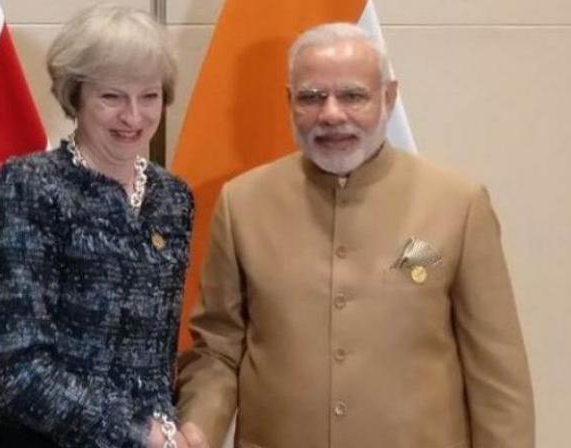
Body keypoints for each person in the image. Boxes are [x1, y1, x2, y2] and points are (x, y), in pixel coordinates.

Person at [176, 22, 534, 448]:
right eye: (311, 97)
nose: (330, 114)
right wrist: (197, 429)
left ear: (388, 97)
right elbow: (217, 349)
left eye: (352, 95)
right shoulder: (243, 203)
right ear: (290, 102)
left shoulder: (458, 204)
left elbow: (497, 378)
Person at [0, 5, 206, 447]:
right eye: (112, 97)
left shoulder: (173, 197)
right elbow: (16, 369)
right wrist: (138, 434)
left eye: (149, 96)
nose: (133, 117)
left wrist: (174, 429)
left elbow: (156, 358)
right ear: (74, 95)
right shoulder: (26, 187)